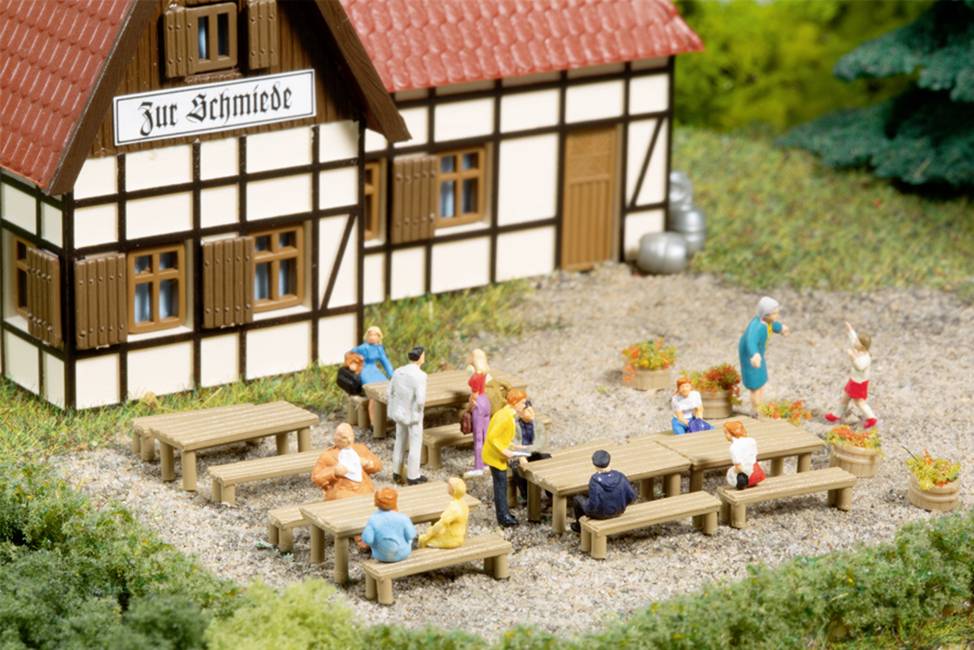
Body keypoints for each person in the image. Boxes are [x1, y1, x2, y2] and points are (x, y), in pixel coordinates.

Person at [482, 388, 531, 527]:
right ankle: (503, 517)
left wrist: (514, 447)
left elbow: (501, 437)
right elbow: (492, 437)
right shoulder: (505, 417)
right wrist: (505, 451)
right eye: (522, 402)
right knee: (500, 486)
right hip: (495, 457)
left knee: (501, 485)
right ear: (514, 402)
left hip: (497, 455)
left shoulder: (507, 414)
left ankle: (504, 514)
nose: (524, 405)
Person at [738, 296, 789, 413]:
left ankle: (760, 405)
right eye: (774, 313)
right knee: (754, 384)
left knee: (760, 379)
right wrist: (754, 354)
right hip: (750, 356)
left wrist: (781, 328)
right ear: (765, 315)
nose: (777, 316)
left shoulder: (767, 322)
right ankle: (755, 410)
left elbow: (773, 325)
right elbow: (750, 341)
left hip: (759, 353)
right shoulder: (756, 327)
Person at [570, 450, 637, 534]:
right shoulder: (620, 476)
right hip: (619, 510)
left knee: (577, 499)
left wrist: (588, 511)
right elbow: (632, 496)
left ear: (594, 464)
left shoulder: (595, 480)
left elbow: (594, 504)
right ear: (609, 461)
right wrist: (621, 504)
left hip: (600, 515)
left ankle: (579, 526)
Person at [825, 322, 877, 429]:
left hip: (859, 383)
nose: (855, 342)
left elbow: (860, 366)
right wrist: (850, 330)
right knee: (845, 397)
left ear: (863, 345)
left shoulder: (866, 357)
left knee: (859, 402)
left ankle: (871, 417)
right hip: (853, 380)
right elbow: (853, 340)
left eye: (859, 341)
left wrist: (852, 357)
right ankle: (836, 415)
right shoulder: (859, 349)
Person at [311, 423, 382, 500]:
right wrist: (333, 472)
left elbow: (378, 465)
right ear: (336, 439)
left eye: (351, 436)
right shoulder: (327, 456)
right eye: (344, 438)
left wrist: (369, 463)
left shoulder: (360, 449)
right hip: (341, 492)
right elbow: (316, 477)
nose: (349, 440)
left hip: (364, 488)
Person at [388, 346, 428, 485]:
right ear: (420, 357)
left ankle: (396, 471)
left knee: (399, 441)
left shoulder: (398, 371)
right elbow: (420, 399)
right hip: (413, 415)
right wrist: (418, 410)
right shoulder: (420, 375)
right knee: (415, 444)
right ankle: (413, 475)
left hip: (400, 412)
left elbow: (390, 391)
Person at [351, 326, 395, 427]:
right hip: (365, 370)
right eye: (370, 334)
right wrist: (355, 362)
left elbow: (385, 361)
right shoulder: (363, 348)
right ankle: (373, 421)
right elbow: (351, 353)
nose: (372, 337)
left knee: (385, 386)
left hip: (374, 370)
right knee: (373, 393)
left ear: (379, 337)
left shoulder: (379, 349)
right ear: (367, 336)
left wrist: (391, 374)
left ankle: (387, 415)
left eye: (375, 335)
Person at [361, 487, 416, 563]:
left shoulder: (373, 520)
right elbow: (411, 535)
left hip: (381, 555)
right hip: (403, 553)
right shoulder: (403, 517)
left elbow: (368, 540)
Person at [418, 477, 469, 549]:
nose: (447, 487)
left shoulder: (453, 508)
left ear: (453, 490)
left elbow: (440, 525)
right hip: (459, 536)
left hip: (451, 539)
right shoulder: (463, 503)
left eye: (449, 486)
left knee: (425, 541)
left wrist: (427, 536)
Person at [463, 372, 491, 479]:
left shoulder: (475, 379)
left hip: (478, 404)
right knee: (486, 435)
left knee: (478, 438)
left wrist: (468, 408)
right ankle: (487, 462)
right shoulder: (483, 373)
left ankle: (479, 466)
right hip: (485, 402)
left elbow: (473, 399)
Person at [724, 420, 765, 490]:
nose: (725, 435)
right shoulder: (752, 440)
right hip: (758, 473)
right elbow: (754, 456)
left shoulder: (733, 447)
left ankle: (745, 484)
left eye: (726, 433)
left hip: (746, 478)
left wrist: (732, 472)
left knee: (730, 472)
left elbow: (739, 468)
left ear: (731, 433)